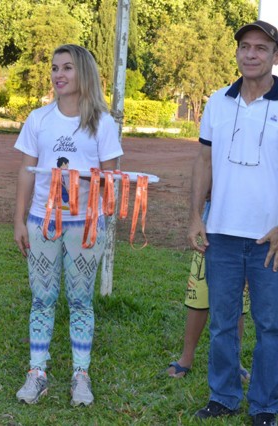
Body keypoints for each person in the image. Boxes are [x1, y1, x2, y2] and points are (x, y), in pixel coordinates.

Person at [13, 44, 123, 406]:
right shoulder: (38, 119)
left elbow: (112, 181)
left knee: (80, 300)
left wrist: (91, 189)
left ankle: (81, 375)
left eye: (67, 69)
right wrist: (19, 219)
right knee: (42, 298)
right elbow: (27, 174)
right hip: (42, 222)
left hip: (85, 225)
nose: (58, 75)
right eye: (55, 68)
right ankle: (37, 373)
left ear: (84, 74)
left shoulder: (103, 124)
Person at [189, 20, 278, 425]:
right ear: (238, 52)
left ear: (275, 56)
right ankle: (223, 396)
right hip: (221, 231)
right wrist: (195, 215)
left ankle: (265, 405)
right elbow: (204, 161)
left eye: (261, 47)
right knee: (223, 323)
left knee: (271, 327)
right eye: (245, 46)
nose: (252, 54)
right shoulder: (216, 102)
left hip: (270, 237)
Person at [166, 201, 250, 381]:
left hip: (248, 233)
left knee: (238, 300)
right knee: (198, 296)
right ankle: (186, 357)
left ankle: (234, 360)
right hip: (212, 230)